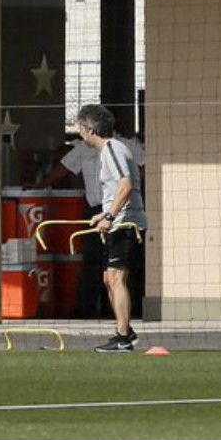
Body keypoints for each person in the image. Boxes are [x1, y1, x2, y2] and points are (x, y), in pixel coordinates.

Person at [44, 128, 146, 319]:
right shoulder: (83, 148)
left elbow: (141, 170)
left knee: (122, 268)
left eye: (83, 129)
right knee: (94, 264)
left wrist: (133, 194)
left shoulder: (127, 145)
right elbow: (64, 168)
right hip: (95, 211)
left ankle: (125, 315)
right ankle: (89, 311)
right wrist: (42, 185)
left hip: (122, 210)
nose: (81, 134)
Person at [76, 103, 145, 353]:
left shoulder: (112, 149)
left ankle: (123, 337)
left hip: (127, 223)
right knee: (108, 278)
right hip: (117, 221)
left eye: (81, 128)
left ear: (89, 129)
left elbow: (125, 185)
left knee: (116, 277)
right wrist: (101, 216)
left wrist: (109, 215)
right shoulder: (109, 151)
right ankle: (124, 330)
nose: (79, 133)